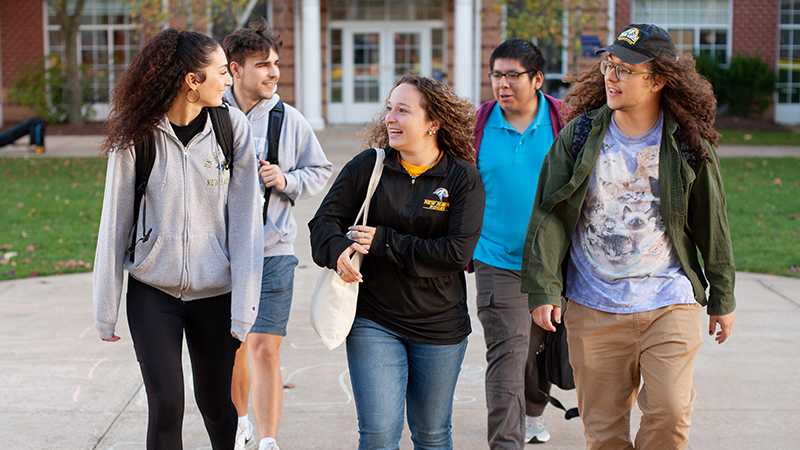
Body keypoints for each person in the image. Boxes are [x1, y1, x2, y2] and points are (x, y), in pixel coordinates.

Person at [520, 24, 736, 449]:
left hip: (668, 300)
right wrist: (543, 287)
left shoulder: (688, 144)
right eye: (609, 66)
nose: (611, 77)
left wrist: (723, 297)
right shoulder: (580, 136)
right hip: (593, 306)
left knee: (671, 415)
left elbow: (713, 222)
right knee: (604, 435)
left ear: (657, 80)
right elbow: (548, 216)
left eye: (625, 70)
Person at [93, 29, 263, 450]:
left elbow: (246, 225)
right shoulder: (138, 133)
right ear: (191, 80)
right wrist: (105, 310)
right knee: (167, 407)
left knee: (217, 408)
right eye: (222, 72)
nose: (229, 80)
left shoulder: (231, 126)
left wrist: (243, 308)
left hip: (216, 292)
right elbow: (114, 222)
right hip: (154, 292)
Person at [309, 74, 485, 450]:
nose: (390, 118)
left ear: (433, 122)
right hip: (375, 320)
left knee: (432, 434)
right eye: (389, 108)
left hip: (440, 327)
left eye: (403, 111)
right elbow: (322, 223)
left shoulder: (462, 179)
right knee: (378, 434)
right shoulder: (368, 167)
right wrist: (337, 250)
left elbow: (456, 254)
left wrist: (385, 241)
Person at [222, 21, 333, 450]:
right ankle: (240, 422)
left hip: (274, 251)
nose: (273, 73)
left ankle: (268, 440)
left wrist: (285, 179)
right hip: (223, 254)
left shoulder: (290, 119)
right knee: (234, 347)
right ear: (234, 69)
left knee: (266, 348)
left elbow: (320, 171)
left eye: (276, 64)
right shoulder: (212, 115)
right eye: (262, 65)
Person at [472, 38, 565, 449]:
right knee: (507, 355)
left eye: (513, 75)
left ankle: (533, 409)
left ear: (538, 79)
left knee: (538, 351)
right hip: (496, 257)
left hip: (554, 262)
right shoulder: (478, 124)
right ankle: (505, 443)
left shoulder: (565, 122)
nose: (502, 84)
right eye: (496, 75)